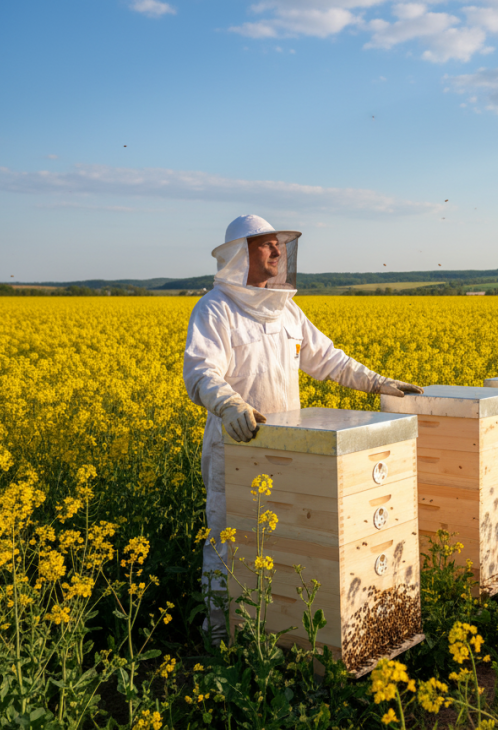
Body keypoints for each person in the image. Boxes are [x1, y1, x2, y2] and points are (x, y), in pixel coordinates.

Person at [183, 214, 423, 638]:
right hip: (236, 446)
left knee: (284, 541)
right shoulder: (215, 309)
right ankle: (221, 638)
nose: (277, 252)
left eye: (279, 245)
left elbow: (328, 358)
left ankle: (280, 634)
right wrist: (230, 404)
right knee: (228, 540)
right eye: (265, 245)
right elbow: (201, 372)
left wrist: (378, 383)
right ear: (241, 253)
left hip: (289, 446)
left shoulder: (286, 310)